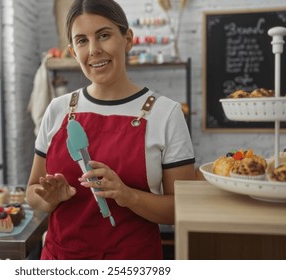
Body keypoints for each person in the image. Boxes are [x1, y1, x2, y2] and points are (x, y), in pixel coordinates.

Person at [26, 0, 196, 260]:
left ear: (127, 39)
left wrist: (128, 196)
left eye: (104, 35)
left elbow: (181, 209)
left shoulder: (166, 114)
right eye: (82, 41)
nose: (94, 50)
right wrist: (50, 198)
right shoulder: (58, 109)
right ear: (73, 51)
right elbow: (32, 194)